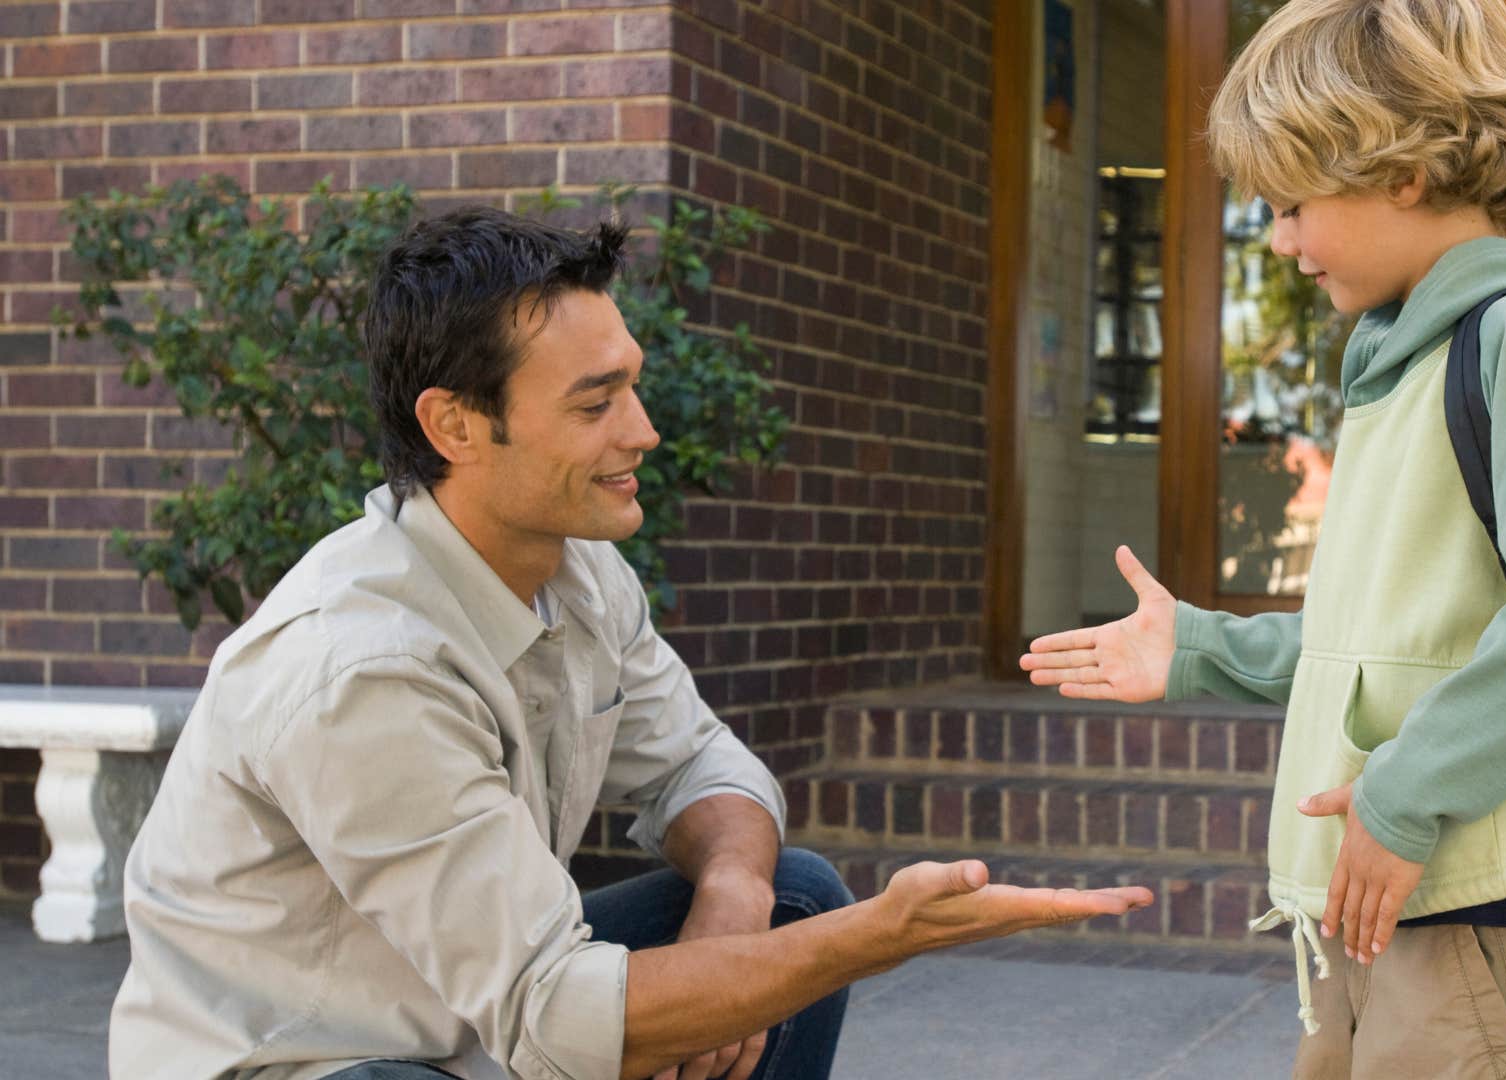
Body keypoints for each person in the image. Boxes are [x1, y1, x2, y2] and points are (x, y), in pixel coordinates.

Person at [108, 207, 1153, 1080]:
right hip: (313, 1060)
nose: (642, 430)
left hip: (469, 1025)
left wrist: (735, 902)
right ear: (456, 426)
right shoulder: (360, 669)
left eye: (631, 386)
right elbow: (554, 1014)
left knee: (791, 892)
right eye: (595, 403)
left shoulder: (577, 569)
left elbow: (703, 765)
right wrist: (872, 941)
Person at [1024, 1, 1506, 1076]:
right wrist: (1201, 646)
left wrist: (1404, 793)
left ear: (1403, 174)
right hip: (1389, 891)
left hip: (1493, 906)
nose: (1279, 242)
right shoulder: (1406, 358)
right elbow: (1393, 642)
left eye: (1291, 205)